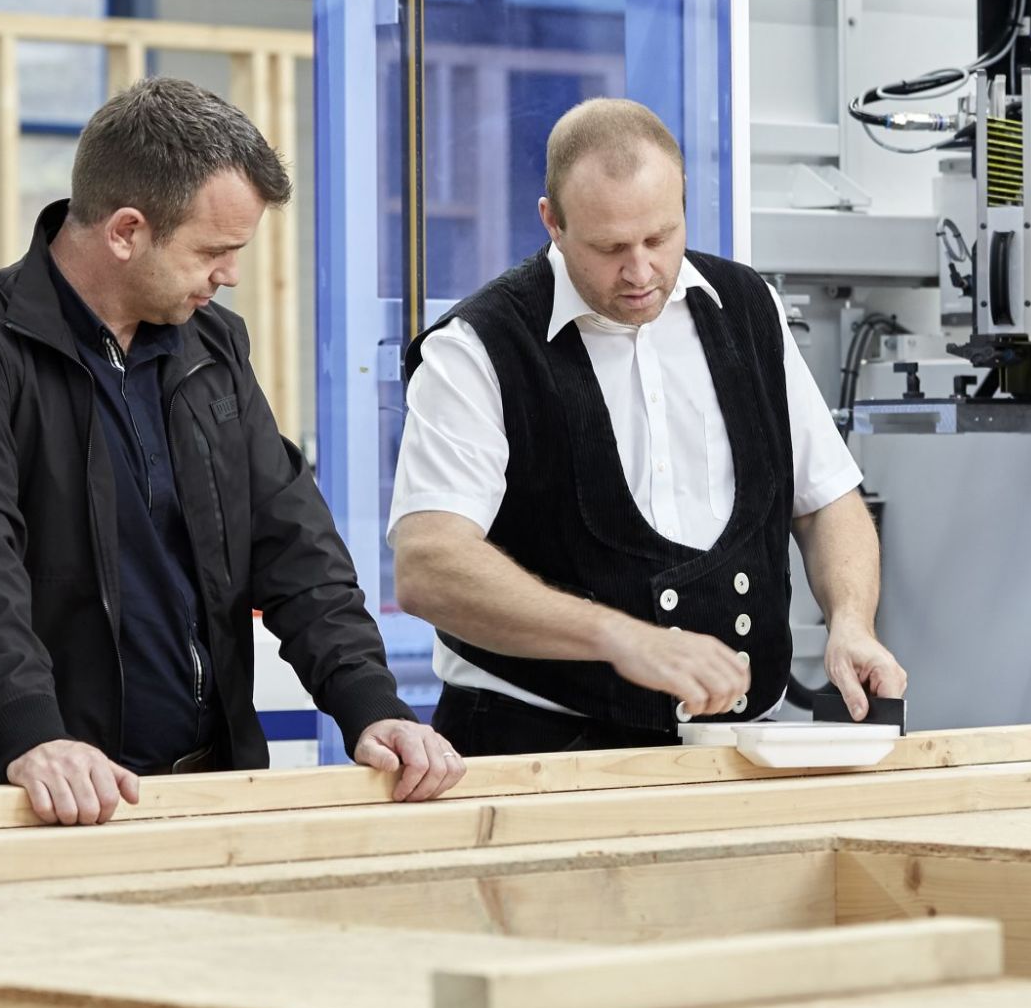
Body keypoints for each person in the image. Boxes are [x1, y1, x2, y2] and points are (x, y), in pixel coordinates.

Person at [0, 77, 462, 822]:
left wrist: (369, 704)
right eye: (213, 251)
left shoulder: (212, 349)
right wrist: (32, 732)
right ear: (127, 231)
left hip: (211, 789)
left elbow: (292, 544)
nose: (229, 275)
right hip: (45, 795)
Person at [388, 97, 907, 757]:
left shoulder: (749, 308)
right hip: (536, 754)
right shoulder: (477, 347)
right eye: (610, 247)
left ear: (684, 202)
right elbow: (430, 566)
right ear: (552, 222)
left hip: (742, 753)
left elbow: (827, 499)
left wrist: (851, 623)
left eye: (660, 237)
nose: (640, 272)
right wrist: (620, 637)